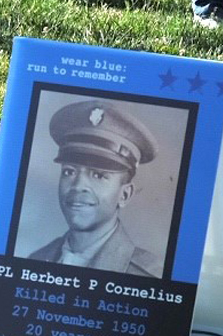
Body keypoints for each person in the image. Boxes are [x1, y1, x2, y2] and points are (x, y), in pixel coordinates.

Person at [21, 100, 165, 276]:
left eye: (98, 175)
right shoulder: (36, 260)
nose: (78, 186)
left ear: (125, 195)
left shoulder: (149, 276)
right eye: (69, 172)